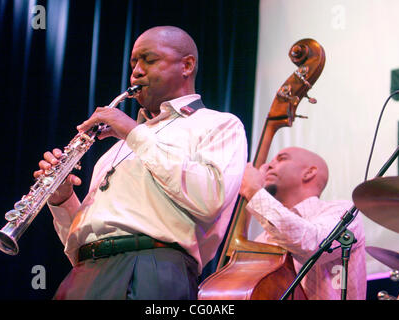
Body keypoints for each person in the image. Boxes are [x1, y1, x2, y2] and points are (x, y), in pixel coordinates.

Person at [34, 26, 248, 300]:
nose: (136, 71)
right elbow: (83, 239)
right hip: (85, 273)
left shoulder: (218, 124)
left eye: (149, 59)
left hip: (154, 269)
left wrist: (133, 132)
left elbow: (209, 198)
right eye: (134, 62)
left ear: (187, 65)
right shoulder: (115, 151)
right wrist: (62, 200)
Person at [239, 146, 367, 300]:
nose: (267, 166)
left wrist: (253, 191)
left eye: (281, 158)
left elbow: (313, 244)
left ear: (309, 172)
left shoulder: (343, 212)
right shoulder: (262, 240)